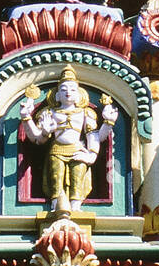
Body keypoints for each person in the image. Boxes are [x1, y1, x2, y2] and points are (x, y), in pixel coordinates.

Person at [20, 66, 118, 215]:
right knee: (56, 176)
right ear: (57, 95)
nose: (68, 92)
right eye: (64, 89)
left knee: (78, 176)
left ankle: (76, 206)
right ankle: (56, 205)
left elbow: (95, 136)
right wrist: (28, 119)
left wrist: (107, 123)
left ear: (79, 95)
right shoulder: (49, 112)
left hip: (78, 150)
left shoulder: (86, 113)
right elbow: (36, 138)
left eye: (72, 89)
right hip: (57, 150)